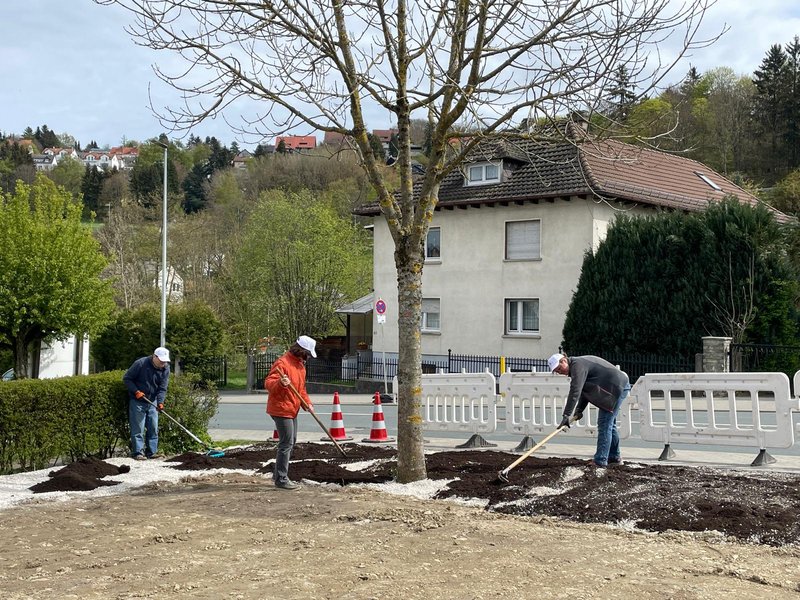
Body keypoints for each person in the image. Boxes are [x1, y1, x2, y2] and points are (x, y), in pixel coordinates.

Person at [548, 353, 630, 467]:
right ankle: (614, 457)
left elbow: (575, 391)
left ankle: (600, 461)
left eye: (559, 368)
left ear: (564, 361)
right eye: (557, 371)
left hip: (617, 387)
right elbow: (584, 390)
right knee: (609, 425)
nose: (559, 372)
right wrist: (579, 410)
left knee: (605, 423)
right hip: (617, 386)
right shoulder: (577, 366)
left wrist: (566, 415)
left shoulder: (577, 366)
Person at [265, 335, 317, 490]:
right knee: (286, 443)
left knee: (291, 441)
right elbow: (269, 383)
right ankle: (281, 479)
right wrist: (280, 383)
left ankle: (278, 475)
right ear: (300, 350)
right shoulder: (282, 363)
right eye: (307, 353)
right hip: (280, 408)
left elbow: (301, 389)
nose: (307, 357)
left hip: (292, 408)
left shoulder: (300, 366)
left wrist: (306, 403)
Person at [123, 347, 171, 460]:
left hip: (152, 401)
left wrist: (160, 402)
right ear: (154, 357)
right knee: (138, 428)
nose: (163, 363)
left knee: (153, 427)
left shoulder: (165, 368)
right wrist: (136, 391)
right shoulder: (140, 364)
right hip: (138, 401)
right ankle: (138, 453)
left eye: (165, 361)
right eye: (161, 361)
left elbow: (162, 388)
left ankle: (152, 452)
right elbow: (127, 379)